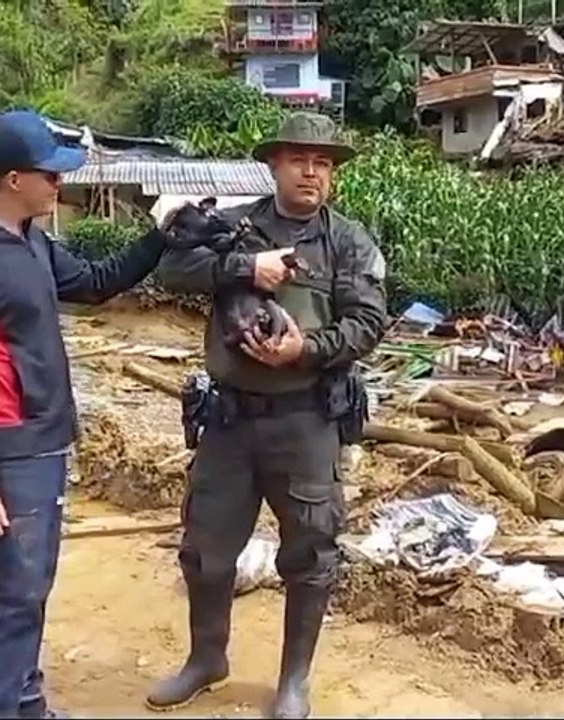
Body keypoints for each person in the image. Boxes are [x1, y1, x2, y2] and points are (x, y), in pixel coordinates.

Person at [0, 109, 168, 719]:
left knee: (32, 586)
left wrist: (163, 236)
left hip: (46, 440)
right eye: (50, 175)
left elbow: (97, 283)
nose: (60, 185)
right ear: (10, 179)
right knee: (14, 590)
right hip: (5, 445)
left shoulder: (31, 239)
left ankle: (25, 702)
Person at [147, 112, 388, 719]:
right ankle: (207, 660)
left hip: (305, 421)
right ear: (275, 165)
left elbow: (367, 324)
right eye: (299, 160)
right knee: (205, 551)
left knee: (310, 554)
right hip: (228, 423)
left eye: (324, 163)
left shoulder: (348, 242)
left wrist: (303, 348)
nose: (312, 172)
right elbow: (172, 268)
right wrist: (245, 268)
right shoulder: (238, 228)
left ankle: (294, 683)